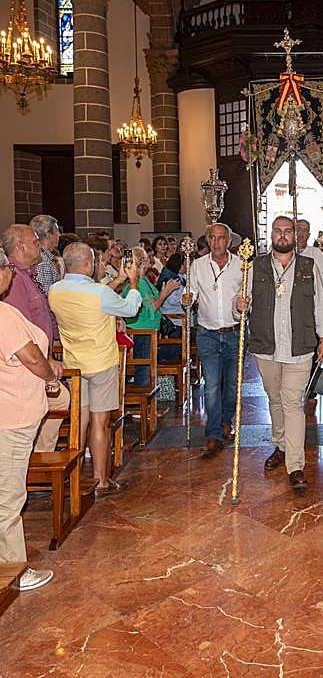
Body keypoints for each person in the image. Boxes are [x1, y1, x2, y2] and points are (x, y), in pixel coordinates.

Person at [237, 216, 323, 492]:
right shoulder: (255, 267)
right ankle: (280, 444)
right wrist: (238, 305)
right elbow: (241, 301)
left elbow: (320, 304)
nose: (283, 235)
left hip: (299, 347)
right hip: (266, 347)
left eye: (287, 231)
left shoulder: (308, 266)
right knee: (275, 399)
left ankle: (295, 465)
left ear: (294, 235)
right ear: (271, 235)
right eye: (277, 231)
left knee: (292, 404)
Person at [48, 242, 141, 495]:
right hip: (100, 363)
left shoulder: (55, 290)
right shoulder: (98, 293)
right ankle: (101, 481)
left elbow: (94, 299)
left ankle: (76, 476)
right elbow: (130, 308)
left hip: (74, 363)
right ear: (89, 264)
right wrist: (132, 282)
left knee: (80, 421)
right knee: (100, 424)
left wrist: (118, 279)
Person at [0, 246, 63, 592]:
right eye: (7, 268)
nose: (11, 273)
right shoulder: (3, 315)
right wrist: (49, 376)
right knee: (8, 498)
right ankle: (13, 571)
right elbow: (30, 356)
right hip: (11, 416)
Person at [0, 225, 67, 452]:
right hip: (25, 367)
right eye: (35, 242)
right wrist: (46, 364)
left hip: (37, 358)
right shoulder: (15, 280)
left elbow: (41, 316)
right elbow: (21, 332)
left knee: (60, 400)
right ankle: (39, 456)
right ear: (20, 246)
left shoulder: (26, 274)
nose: (39, 246)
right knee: (59, 399)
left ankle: (38, 454)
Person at [181, 223, 245, 458]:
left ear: (229, 241)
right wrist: (187, 298)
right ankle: (214, 433)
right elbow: (191, 292)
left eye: (221, 238)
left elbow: (246, 295)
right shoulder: (197, 265)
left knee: (231, 385)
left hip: (234, 332)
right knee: (212, 386)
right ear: (207, 240)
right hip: (207, 333)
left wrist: (243, 305)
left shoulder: (241, 266)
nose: (216, 242)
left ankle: (226, 420)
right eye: (212, 238)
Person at [121, 247, 181, 382]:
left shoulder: (144, 279)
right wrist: (165, 292)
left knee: (148, 367)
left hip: (149, 329)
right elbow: (152, 308)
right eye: (146, 257)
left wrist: (163, 293)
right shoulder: (136, 282)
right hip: (140, 330)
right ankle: (142, 390)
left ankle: (146, 391)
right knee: (143, 368)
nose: (150, 258)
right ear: (142, 261)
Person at [295, 219, 323, 292]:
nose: (300, 234)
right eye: (298, 229)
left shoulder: (316, 253)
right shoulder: (284, 253)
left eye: (304, 231)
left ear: (308, 235)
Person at [29, 214, 61, 294]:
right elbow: (46, 295)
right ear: (48, 234)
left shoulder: (43, 257)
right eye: (57, 231)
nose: (59, 235)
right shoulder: (43, 262)